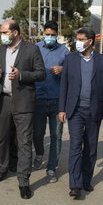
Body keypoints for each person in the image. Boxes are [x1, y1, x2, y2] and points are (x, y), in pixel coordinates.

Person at [0, 20, 45, 199]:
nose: (2, 35)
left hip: (23, 102)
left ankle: (23, 180)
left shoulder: (31, 50)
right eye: (1, 32)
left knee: (24, 142)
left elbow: (41, 74)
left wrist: (22, 75)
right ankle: (2, 168)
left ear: (15, 33)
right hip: (2, 101)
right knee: (1, 139)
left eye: (5, 32)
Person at [59, 27, 103, 199]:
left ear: (90, 41)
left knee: (90, 148)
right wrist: (62, 108)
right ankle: (75, 184)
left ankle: (86, 179)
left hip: (94, 110)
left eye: (81, 39)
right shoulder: (70, 59)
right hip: (75, 110)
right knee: (75, 146)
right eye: (77, 38)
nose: (78, 42)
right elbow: (64, 86)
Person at [33, 21, 70, 183]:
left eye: (52, 35)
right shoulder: (35, 49)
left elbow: (73, 74)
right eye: (47, 34)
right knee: (38, 133)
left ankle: (51, 167)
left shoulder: (64, 52)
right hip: (38, 99)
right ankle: (39, 153)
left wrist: (63, 70)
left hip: (57, 101)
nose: (49, 37)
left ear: (57, 35)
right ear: (43, 34)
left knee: (56, 136)